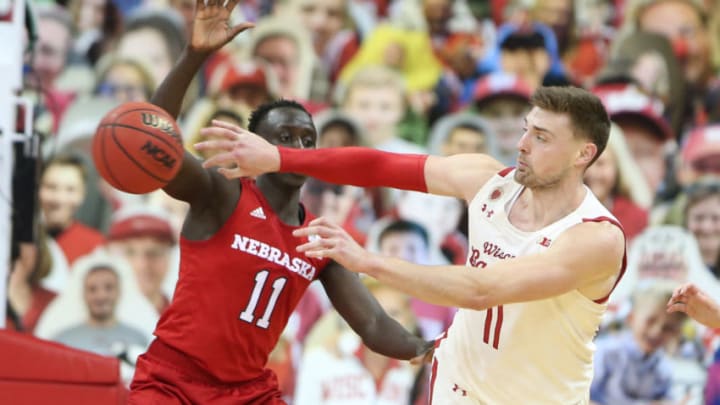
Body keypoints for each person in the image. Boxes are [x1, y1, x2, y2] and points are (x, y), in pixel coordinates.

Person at [198, 85, 627, 403]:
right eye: (526, 130)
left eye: (542, 137)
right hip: (459, 384)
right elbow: (380, 165)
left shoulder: (595, 238)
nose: (521, 144)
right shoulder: (485, 179)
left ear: (583, 155)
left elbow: (482, 290)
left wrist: (369, 261)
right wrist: (281, 158)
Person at [128, 2, 432, 404]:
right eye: (284, 137)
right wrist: (195, 54)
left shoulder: (318, 238)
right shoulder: (224, 192)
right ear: (254, 146)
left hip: (248, 391)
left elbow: (374, 324)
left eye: (308, 139)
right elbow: (153, 144)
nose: (299, 146)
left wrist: (428, 350)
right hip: (174, 380)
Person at [591, 281, 686, 405]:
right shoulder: (604, 353)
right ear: (631, 318)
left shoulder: (664, 369)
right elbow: (582, 398)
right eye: (650, 321)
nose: (656, 331)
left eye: (668, 328)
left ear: (676, 333)